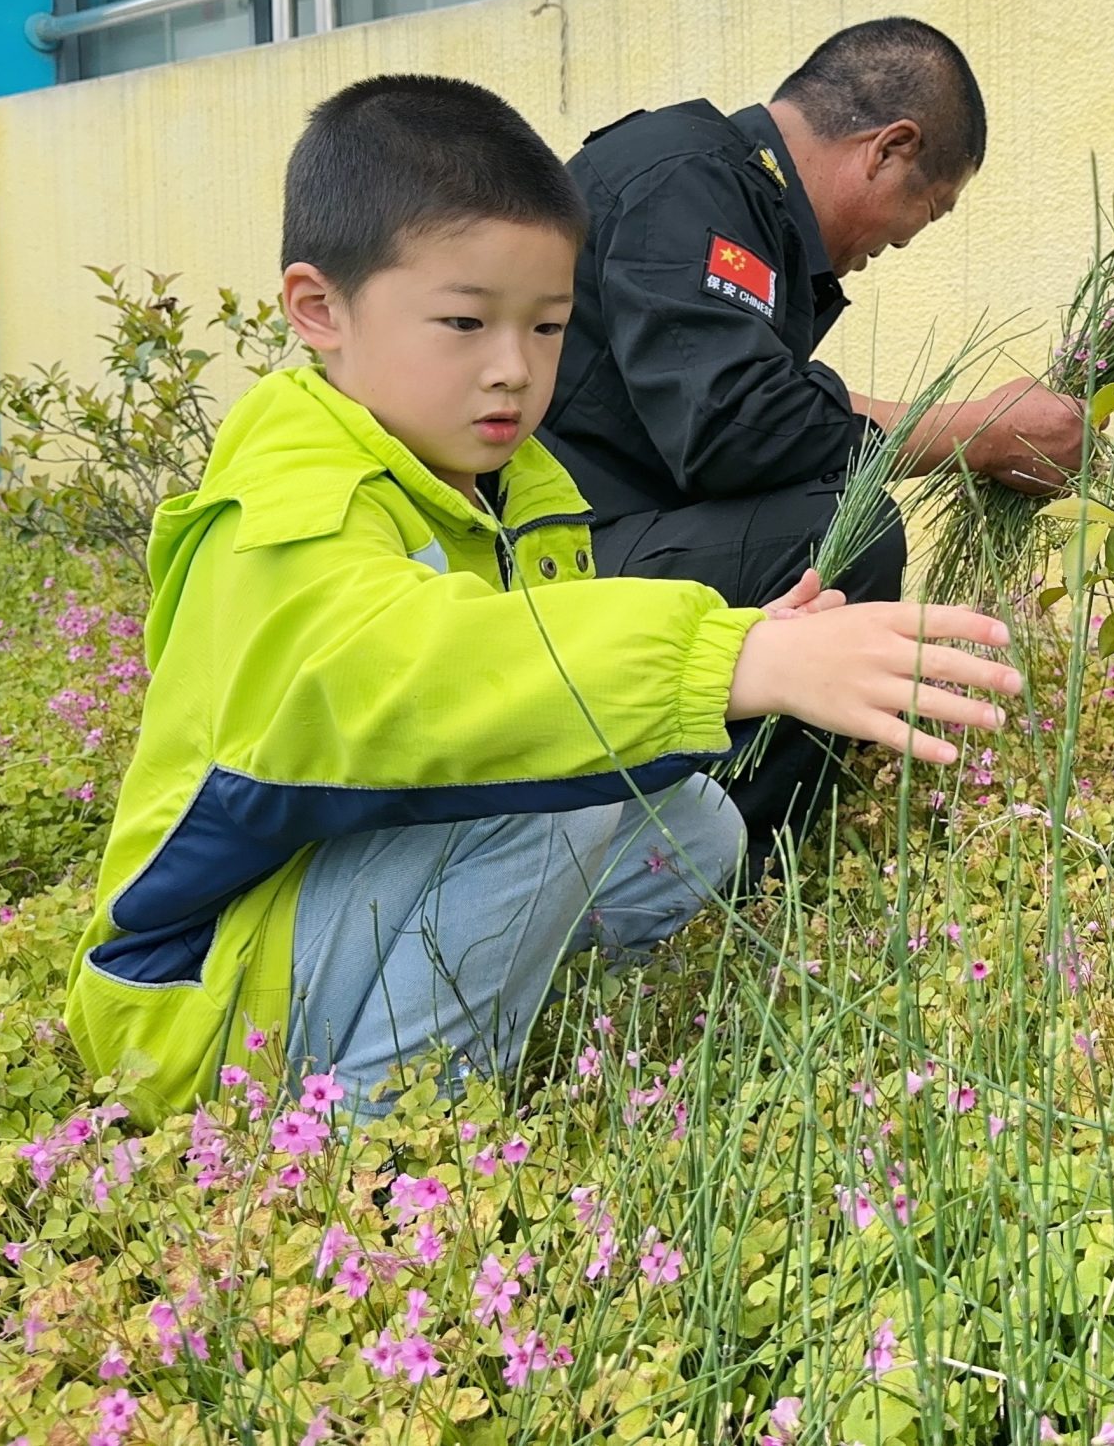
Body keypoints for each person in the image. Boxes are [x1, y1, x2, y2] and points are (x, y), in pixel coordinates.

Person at [63, 74, 1023, 1127]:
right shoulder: (292, 496)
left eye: (550, 326)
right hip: (200, 990)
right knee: (547, 779)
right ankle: (389, 1136)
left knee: (696, 826)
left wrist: (755, 639)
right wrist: (725, 658)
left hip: (326, 913)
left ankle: (479, 1020)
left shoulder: (519, 486)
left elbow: (528, 664)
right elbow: (410, 673)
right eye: (465, 322)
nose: (514, 372)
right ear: (318, 309)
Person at [539, 18, 1086, 846]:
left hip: (606, 538)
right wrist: (979, 433)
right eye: (925, 211)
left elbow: (744, 428)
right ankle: (716, 873)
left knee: (820, 510)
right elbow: (734, 424)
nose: (899, 242)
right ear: (889, 149)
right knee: (845, 531)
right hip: (546, 566)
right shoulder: (687, 181)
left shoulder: (727, 193)